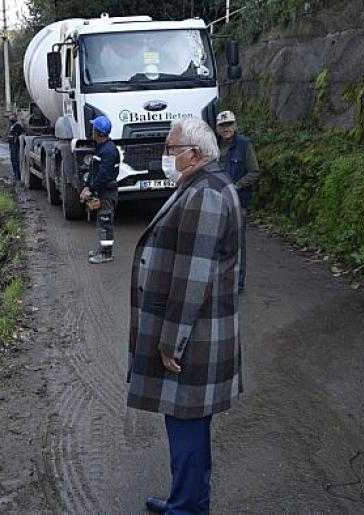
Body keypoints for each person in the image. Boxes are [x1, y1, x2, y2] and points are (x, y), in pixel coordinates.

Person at [127, 117, 243, 515]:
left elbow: (193, 276)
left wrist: (170, 339)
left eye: (171, 148)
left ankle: (188, 508)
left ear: (193, 154)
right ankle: (186, 499)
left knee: (187, 424)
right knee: (186, 424)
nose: (166, 155)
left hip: (193, 337)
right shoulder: (201, 186)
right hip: (199, 331)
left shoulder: (206, 194)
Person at [216, 110, 260, 293]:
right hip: (217, 203)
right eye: (223, 125)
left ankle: (238, 283)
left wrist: (237, 186)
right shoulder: (213, 146)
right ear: (217, 128)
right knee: (218, 242)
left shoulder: (244, 144)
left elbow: (254, 172)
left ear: (235, 126)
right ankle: (221, 281)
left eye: (229, 124)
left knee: (238, 244)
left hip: (238, 203)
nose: (227, 128)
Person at [80, 115, 120, 264]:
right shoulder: (101, 148)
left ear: (98, 132)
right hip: (102, 191)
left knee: (105, 221)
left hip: (107, 192)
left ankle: (106, 254)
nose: (92, 131)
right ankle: (102, 250)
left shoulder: (109, 151)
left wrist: (90, 189)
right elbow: (94, 170)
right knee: (102, 222)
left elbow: (104, 175)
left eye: (93, 129)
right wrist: (87, 187)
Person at [8, 114, 24, 182]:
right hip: (12, 145)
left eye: (12, 117)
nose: (10, 118)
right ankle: (15, 174)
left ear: (15, 118)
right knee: (13, 159)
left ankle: (18, 175)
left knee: (15, 160)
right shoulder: (12, 125)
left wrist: (14, 141)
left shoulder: (18, 125)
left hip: (15, 145)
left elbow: (17, 135)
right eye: (10, 117)